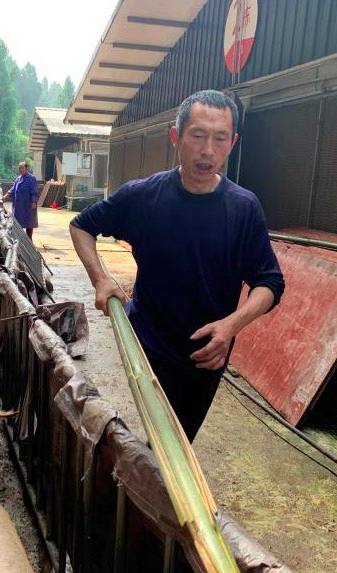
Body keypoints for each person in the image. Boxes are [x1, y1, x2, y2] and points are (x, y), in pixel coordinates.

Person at [69, 89, 285, 442]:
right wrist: (101, 279)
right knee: (161, 440)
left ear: (233, 142)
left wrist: (232, 325)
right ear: (176, 137)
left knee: (180, 442)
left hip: (207, 356)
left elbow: (270, 282)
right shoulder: (143, 196)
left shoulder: (243, 208)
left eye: (219, 139)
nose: (207, 150)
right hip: (146, 344)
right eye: (197, 135)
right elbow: (81, 226)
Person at [4, 161, 39, 239]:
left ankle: (29, 240)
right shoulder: (18, 178)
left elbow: (34, 191)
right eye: (19, 168)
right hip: (18, 206)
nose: (20, 169)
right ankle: (19, 240)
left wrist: (34, 201)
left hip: (28, 205)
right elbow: (13, 188)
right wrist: (7, 194)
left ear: (26, 168)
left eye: (22, 168)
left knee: (29, 224)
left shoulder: (31, 178)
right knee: (18, 224)